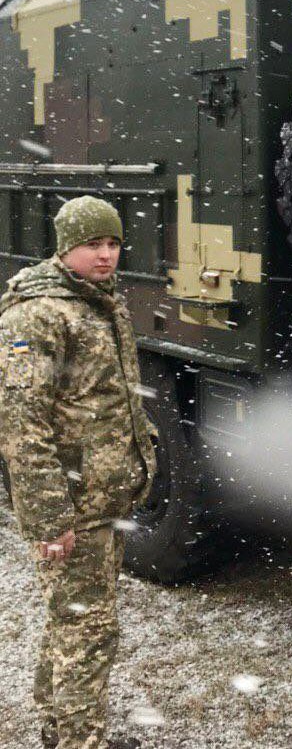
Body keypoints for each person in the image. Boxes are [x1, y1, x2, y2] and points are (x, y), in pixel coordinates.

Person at [0, 196, 155, 749]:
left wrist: (144, 448)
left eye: (113, 243)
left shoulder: (97, 302)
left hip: (99, 501)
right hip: (74, 510)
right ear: (66, 247)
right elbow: (22, 425)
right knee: (87, 635)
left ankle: (58, 729)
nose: (106, 254)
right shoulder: (40, 315)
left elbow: (108, 396)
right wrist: (49, 519)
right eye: (94, 244)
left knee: (72, 625)